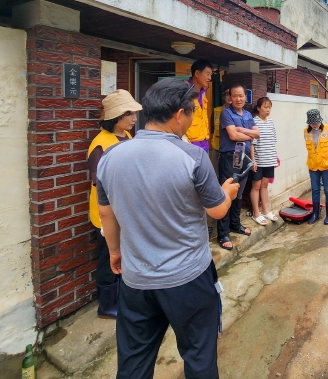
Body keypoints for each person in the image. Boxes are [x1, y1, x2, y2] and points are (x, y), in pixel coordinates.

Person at [96, 80, 240, 379]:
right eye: (191, 113)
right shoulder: (192, 157)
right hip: (188, 278)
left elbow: (105, 212)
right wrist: (227, 192)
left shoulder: (111, 157)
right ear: (179, 114)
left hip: (136, 280)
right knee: (199, 357)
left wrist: (114, 251)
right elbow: (217, 210)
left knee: (134, 362)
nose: (190, 121)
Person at [87, 89, 142, 319]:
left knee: (121, 255)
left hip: (124, 210)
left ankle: (121, 298)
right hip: (107, 213)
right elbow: (97, 181)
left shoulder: (127, 138)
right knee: (107, 257)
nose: (134, 118)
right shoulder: (101, 143)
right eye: (128, 114)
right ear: (115, 117)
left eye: (133, 113)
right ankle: (107, 305)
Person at [217, 85, 260, 250]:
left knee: (239, 193)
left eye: (241, 96)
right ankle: (223, 233)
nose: (238, 99)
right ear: (230, 97)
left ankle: (235, 224)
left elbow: (258, 134)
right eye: (235, 96)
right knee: (227, 193)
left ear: (245, 97)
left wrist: (242, 130)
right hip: (230, 157)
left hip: (244, 156)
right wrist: (248, 133)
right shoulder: (226, 113)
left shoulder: (248, 114)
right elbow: (233, 136)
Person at [304, 109, 328, 225]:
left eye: (316, 122)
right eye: (312, 123)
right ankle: (315, 213)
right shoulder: (306, 131)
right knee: (315, 190)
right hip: (313, 165)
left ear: (320, 120)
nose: (314, 125)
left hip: (327, 165)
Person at [249, 97, 279, 225]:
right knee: (256, 186)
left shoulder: (271, 122)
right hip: (258, 160)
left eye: (269, 107)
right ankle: (256, 213)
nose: (268, 110)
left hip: (269, 160)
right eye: (265, 107)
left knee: (265, 185)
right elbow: (252, 144)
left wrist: (275, 158)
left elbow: (272, 141)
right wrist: (253, 161)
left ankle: (266, 210)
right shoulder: (254, 122)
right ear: (258, 108)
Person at [185, 60, 213, 153]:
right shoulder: (184, 91)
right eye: (207, 74)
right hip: (189, 145)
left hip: (205, 144)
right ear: (197, 73)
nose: (209, 78)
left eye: (211, 75)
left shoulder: (203, 92)